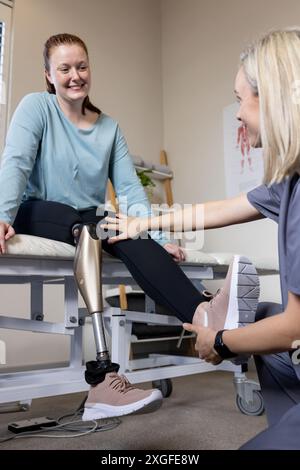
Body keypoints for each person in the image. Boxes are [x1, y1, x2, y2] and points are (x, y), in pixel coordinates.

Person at [0, 33, 259, 421]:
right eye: (64, 69)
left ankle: (205, 314)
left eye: (82, 66)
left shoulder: (108, 128)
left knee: (124, 228)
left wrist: (159, 238)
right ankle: (103, 377)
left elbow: (130, 192)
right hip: (35, 211)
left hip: (87, 216)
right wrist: (3, 214)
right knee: (84, 227)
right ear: (49, 75)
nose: (75, 75)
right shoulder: (36, 107)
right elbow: (16, 162)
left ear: (90, 69)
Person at [102, 28, 300, 449]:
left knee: (268, 328)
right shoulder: (289, 183)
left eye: (240, 98)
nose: (237, 113)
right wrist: (146, 222)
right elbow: (220, 209)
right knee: (262, 312)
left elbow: (296, 327)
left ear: (273, 100)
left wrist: (221, 342)